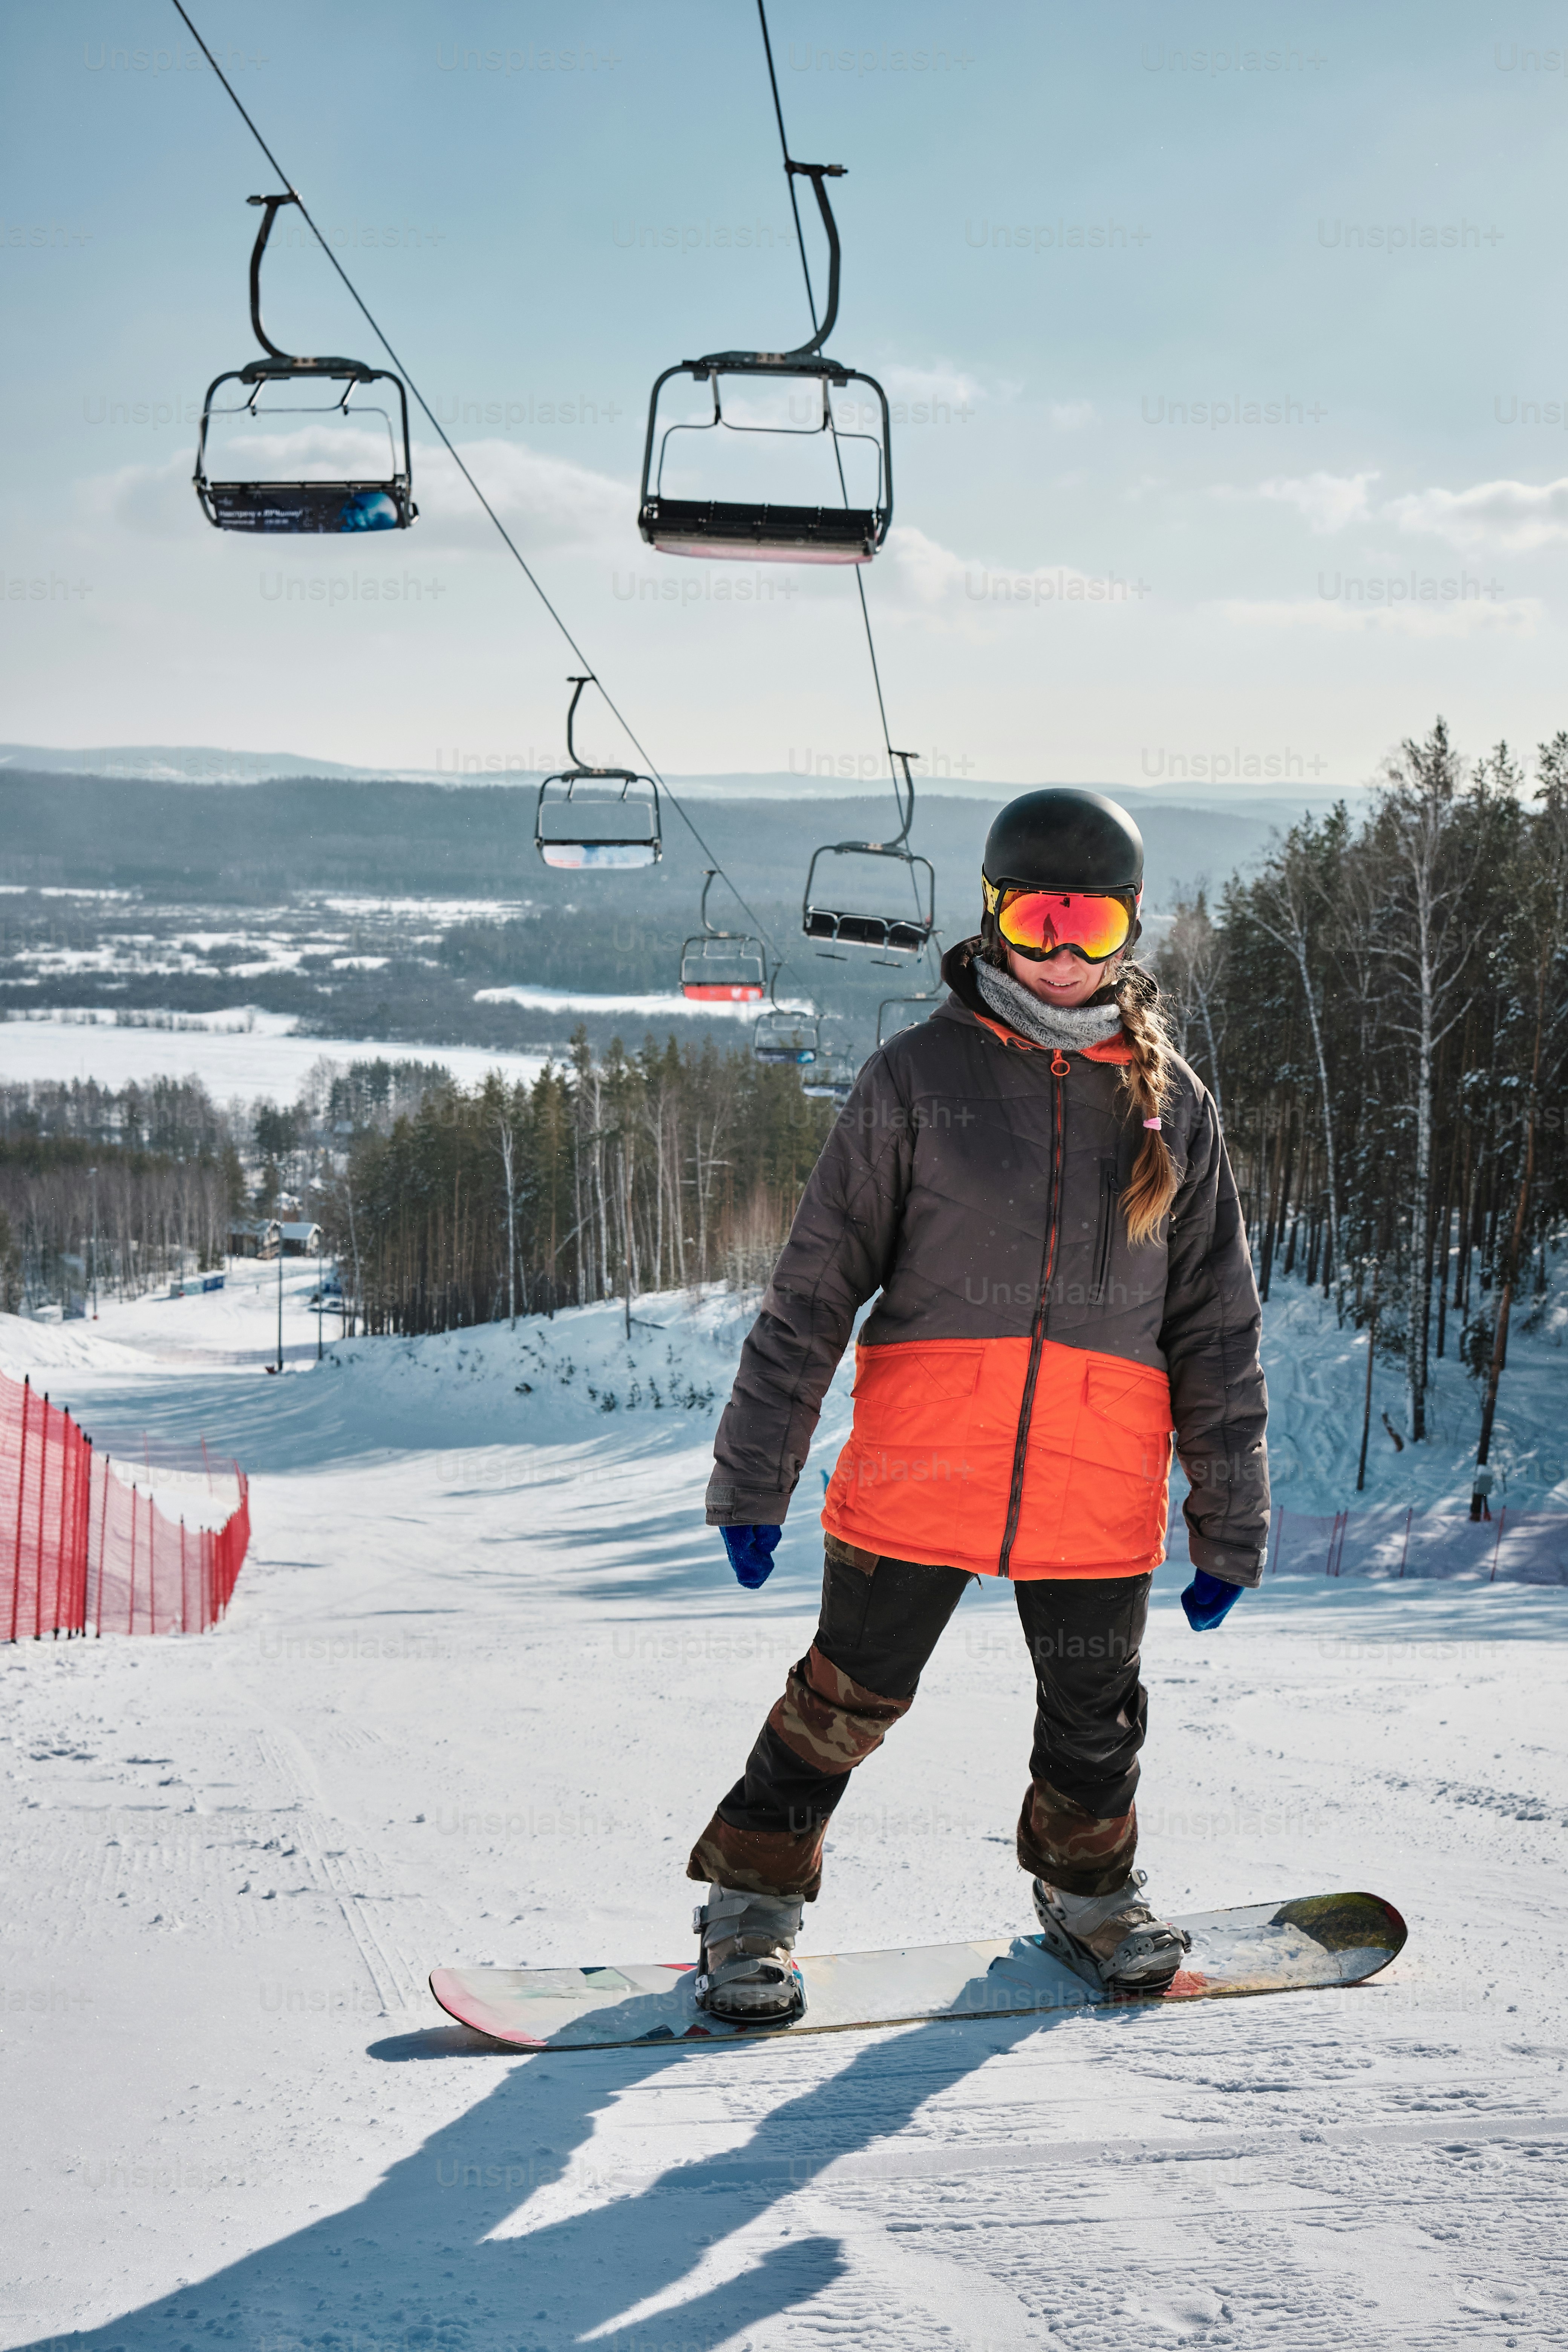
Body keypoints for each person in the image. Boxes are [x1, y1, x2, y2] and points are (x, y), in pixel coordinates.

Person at [689, 789, 1269, 2021]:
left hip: (1097, 1483)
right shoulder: (916, 1081)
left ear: (1130, 931)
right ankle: (751, 1906)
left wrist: (1232, 1524)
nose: (1065, 953)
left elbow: (1217, 1336)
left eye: (1094, 922)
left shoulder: (1177, 1111)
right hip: (920, 1474)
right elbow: (810, 1294)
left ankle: (1089, 1892)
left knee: (1094, 1722)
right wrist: (755, 1480)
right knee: (840, 1707)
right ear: (998, 916)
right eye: (1042, 918)